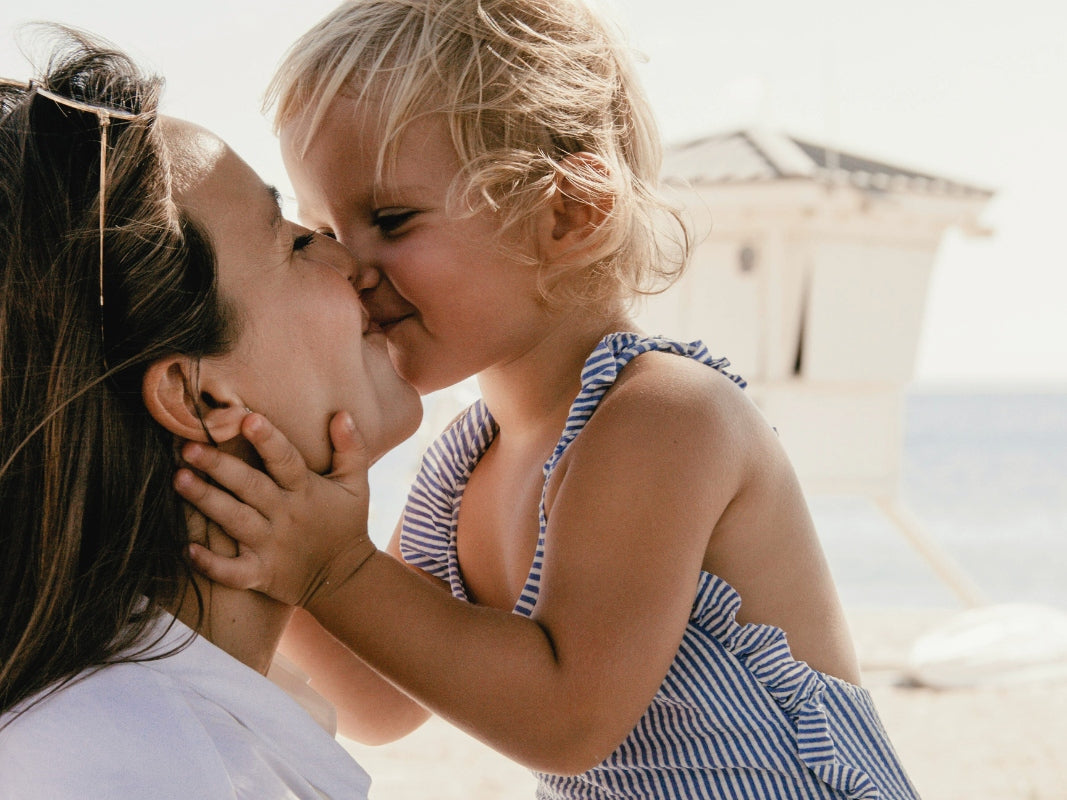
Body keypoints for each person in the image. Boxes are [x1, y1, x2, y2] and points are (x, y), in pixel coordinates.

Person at [180, 1, 921, 797]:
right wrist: (269, 539)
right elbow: (379, 701)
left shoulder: (664, 418)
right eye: (322, 228)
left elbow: (567, 720)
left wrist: (332, 565)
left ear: (569, 214)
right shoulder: (462, 465)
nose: (346, 266)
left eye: (390, 219)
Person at [0, 27, 422, 799]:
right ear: (199, 397)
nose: (351, 263)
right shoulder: (133, 768)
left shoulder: (163, 729)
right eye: (294, 243)